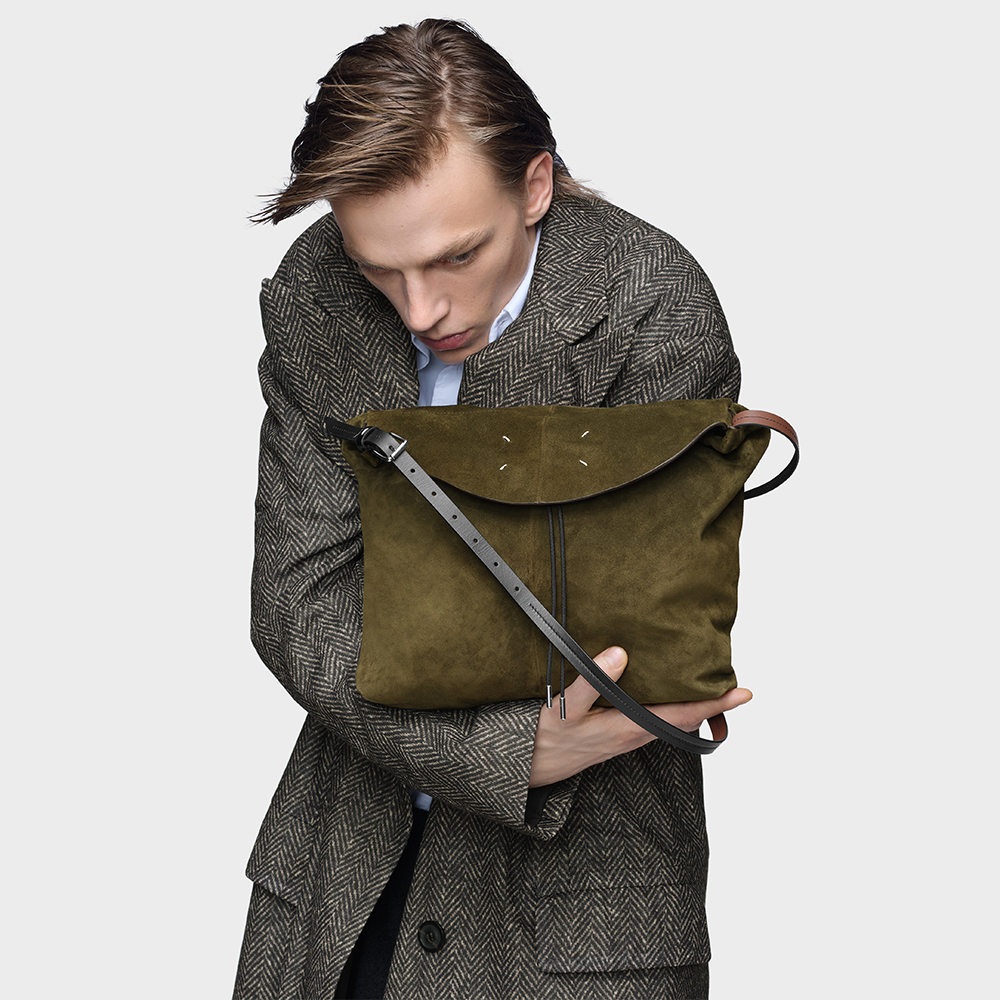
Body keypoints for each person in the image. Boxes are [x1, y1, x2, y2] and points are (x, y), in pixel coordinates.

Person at [235, 19, 752, 1000]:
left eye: (456, 257)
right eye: (380, 269)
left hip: (577, 914)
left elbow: (641, 637)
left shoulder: (653, 303)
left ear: (536, 184)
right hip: (343, 878)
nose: (419, 309)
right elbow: (298, 604)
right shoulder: (316, 291)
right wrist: (512, 751)